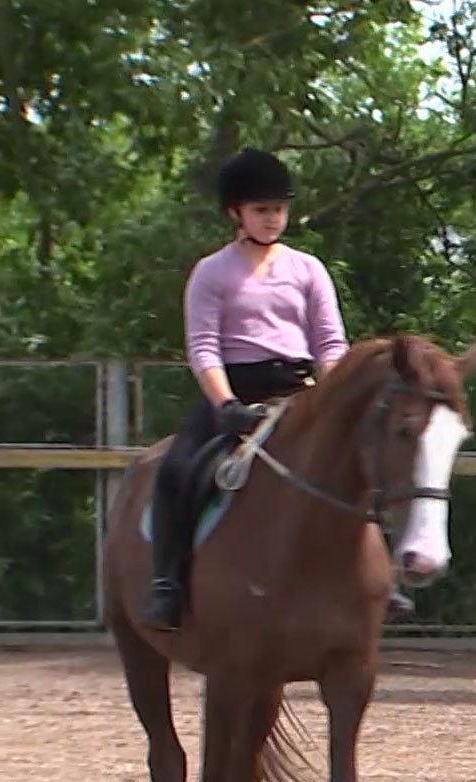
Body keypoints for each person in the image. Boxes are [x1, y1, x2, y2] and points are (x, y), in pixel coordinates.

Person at [141, 147, 352, 631]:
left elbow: (329, 342)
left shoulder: (307, 269)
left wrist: (333, 397)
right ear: (236, 212)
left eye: (279, 209)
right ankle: (167, 584)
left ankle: (382, 581)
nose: (273, 218)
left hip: (300, 388)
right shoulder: (212, 272)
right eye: (262, 209)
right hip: (234, 390)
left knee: (361, 460)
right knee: (176, 469)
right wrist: (227, 406)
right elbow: (204, 349)